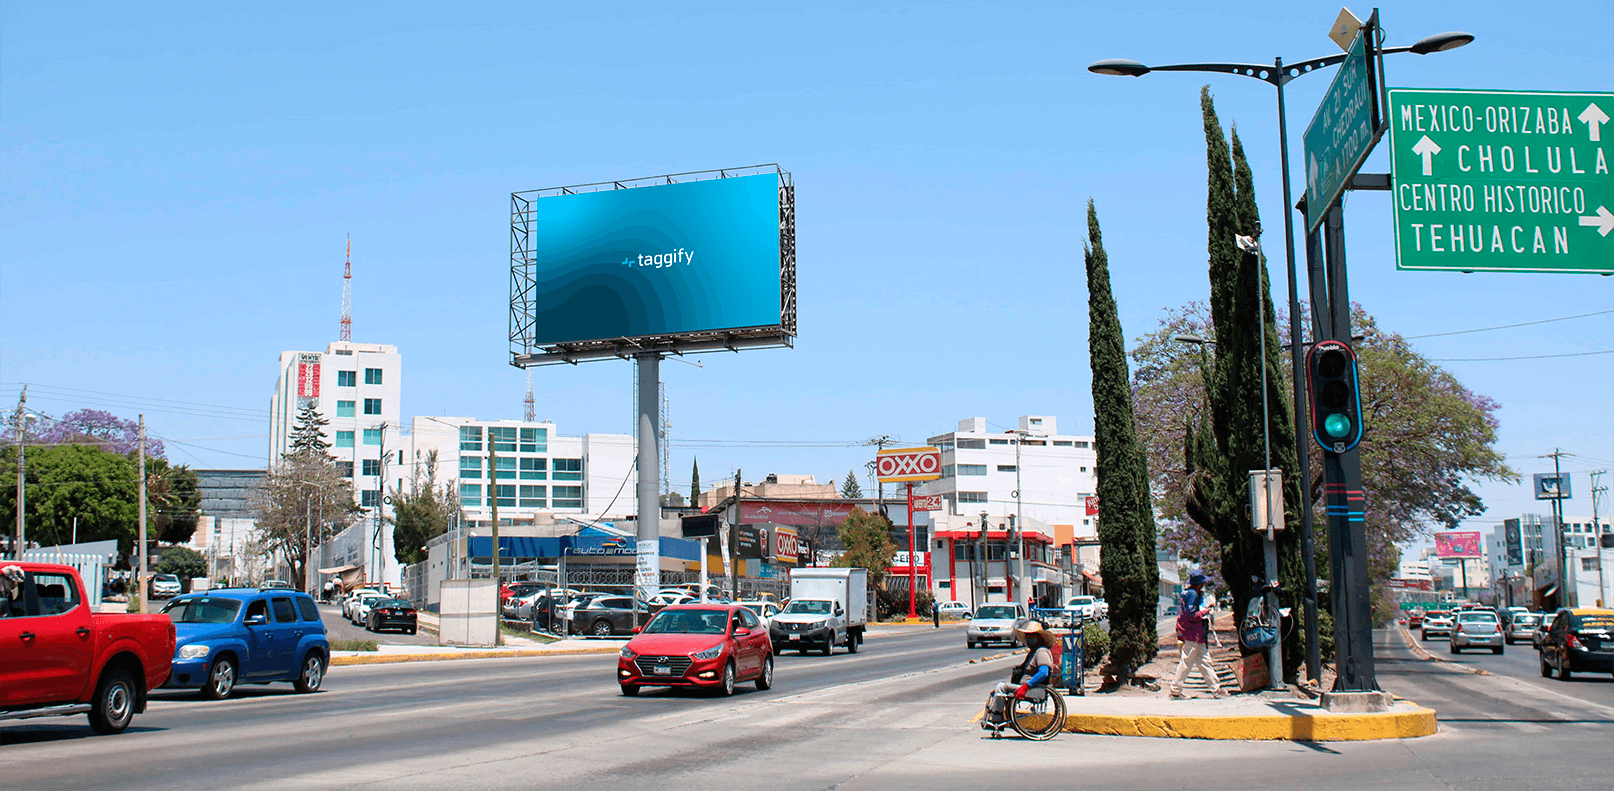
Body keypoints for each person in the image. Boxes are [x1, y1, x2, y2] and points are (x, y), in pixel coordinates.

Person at [983, 620, 1058, 726]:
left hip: (1033, 689)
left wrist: (1025, 687)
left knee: (1001, 686)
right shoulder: (1033, 652)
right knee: (998, 690)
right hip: (1025, 686)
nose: (1028, 638)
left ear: (1039, 637)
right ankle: (996, 717)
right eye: (1027, 636)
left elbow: (1043, 673)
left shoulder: (1041, 652)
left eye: (1031, 636)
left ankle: (996, 720)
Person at [1170, 572, 1224, 699]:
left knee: (1204, 660)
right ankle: (1175, 690)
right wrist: (1205, 611)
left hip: (1195, 633)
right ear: (1199, 584)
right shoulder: (1193, 595)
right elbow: (1192, 615)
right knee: (1186, 661)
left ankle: (1216, 689)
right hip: (1192, 633)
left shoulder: (1185, 593)